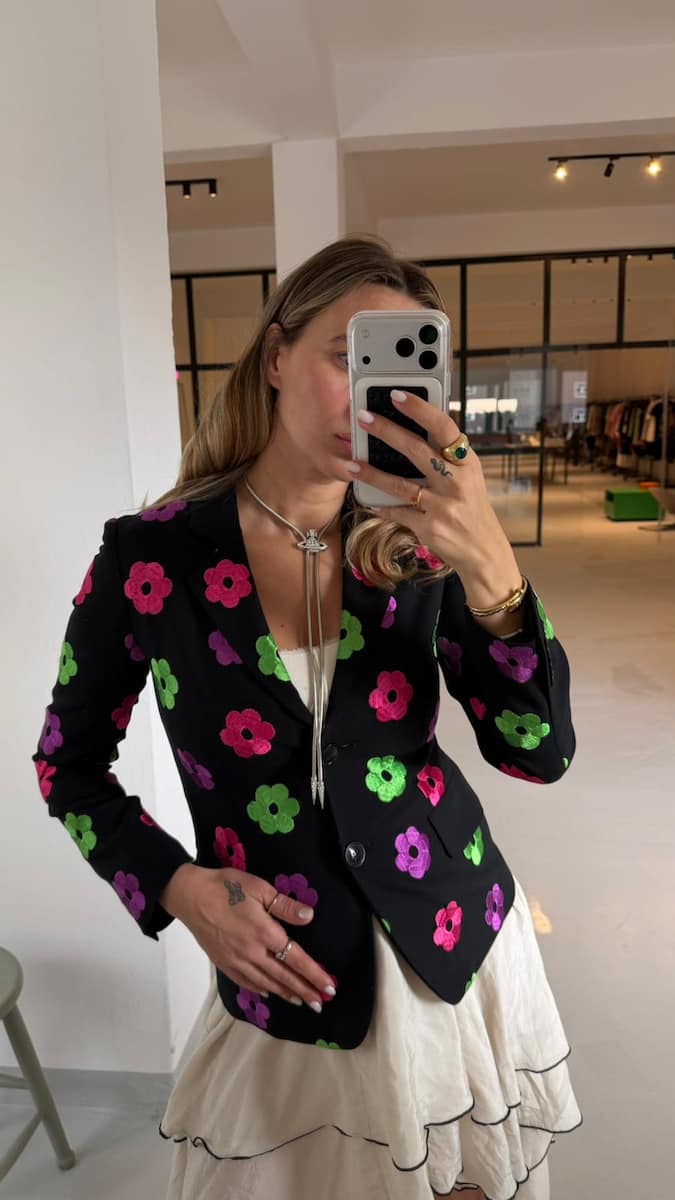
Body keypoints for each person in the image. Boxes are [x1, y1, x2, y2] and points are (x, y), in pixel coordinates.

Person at [32, 236, 582, 1200]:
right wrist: (179, 888)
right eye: (348, 357)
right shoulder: (150, 559)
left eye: (404, 372)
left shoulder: (423, 547)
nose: (375, 400)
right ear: (277, 355)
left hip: (456, 944)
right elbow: (65, 764)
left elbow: (535, 754)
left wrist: (492, 568)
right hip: (288, 982)